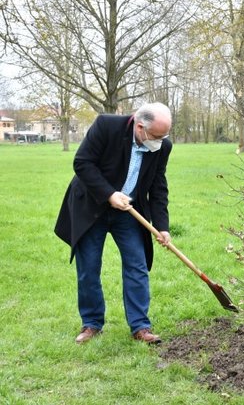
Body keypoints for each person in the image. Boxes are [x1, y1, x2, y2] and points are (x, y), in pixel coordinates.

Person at [55, 102, 173, 344]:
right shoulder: (106, 126)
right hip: (92, 206)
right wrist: (109, 194)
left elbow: (158, 187)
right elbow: (82, 163)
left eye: (164, 136)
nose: (160, 142)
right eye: (157, 136)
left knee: (137, 265)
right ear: (140, 128)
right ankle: (92, 324)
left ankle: (140, 326)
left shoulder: (162, 147)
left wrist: (162, 226)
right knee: (89, 268)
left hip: (129, 212)